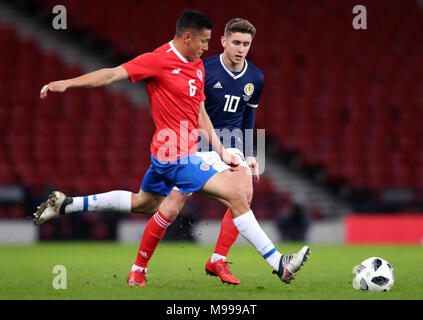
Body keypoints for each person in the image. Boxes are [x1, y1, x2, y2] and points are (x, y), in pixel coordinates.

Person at [34, 10, 310, 287]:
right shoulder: (157, 60)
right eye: (204, 41)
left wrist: (222, 151)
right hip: (175, 154)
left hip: (172, 153)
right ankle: (279, 263)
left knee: (144, 204)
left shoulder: (198, 66)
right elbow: (110, 75)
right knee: (237, 196)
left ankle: (68, 205)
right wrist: (68, 83)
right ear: (187, 37)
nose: (206, 47)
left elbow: (200, 113)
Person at [129, 18, 264, 286]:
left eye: (246, 44)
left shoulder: (256, 77)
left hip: (229, 144)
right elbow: (188, 106)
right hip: (196, 143)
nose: (240, 49)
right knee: (171, 206)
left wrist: (249, 153)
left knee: (244, 193)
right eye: (236, 42)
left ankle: (218, 259)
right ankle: (139, 267)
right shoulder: (204, 68)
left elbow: (249, 114)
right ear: (223, 41)